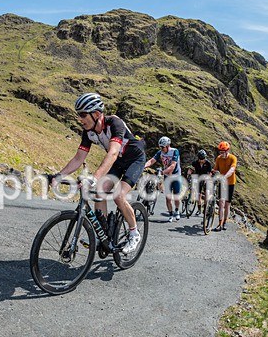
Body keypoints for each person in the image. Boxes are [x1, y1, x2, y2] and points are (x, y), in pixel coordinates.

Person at [51, 92, 146, 255]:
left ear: (96, 114)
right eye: (78, 115)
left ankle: (134, 233)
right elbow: (78, 158)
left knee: (118, 196)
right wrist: (58, 176)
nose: (79, 119)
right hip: (118, 162)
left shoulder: (115, 123)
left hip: (134, 159)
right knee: (99, 192)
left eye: (82, 115)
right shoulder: (88, 132)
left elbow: (113, 153)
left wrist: (94, 178)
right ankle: (102, 234)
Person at [144, 136, 182, 222]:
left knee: (176, 197)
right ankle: (171, 214)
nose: (161, 148)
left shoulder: (175, 151)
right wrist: (144, 166)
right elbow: (152, 160)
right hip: (167, 176)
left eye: (162, 147)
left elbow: (172, 166)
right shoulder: (160, 152)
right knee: (168, 198)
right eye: (160, 147)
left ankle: (177, 210)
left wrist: (162, 172)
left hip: (176, 175)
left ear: (168, 146)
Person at [211, 141, 237, 232]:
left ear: (227, 150)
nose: (221, 154)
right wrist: (212, 172)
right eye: (220, 152)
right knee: (221, 203)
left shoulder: (233, 158)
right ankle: (220, 223)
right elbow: (216, 168)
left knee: (227, 204)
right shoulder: (219, 158)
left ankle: (225, 221)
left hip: (230, 183)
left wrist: (225, 177)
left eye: (223, 152)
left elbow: (232, 169)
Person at [186, 149, 212, 215]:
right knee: (198, 195)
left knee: (206, 194)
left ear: (205, 158)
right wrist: (188, 174)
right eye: (200, 159)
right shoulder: (195, 162)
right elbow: (191, 169)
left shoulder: (208, 163)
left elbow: (210, 173)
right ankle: (199, 209)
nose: (201, 160)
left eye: (202, 159)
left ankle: (205, 208)